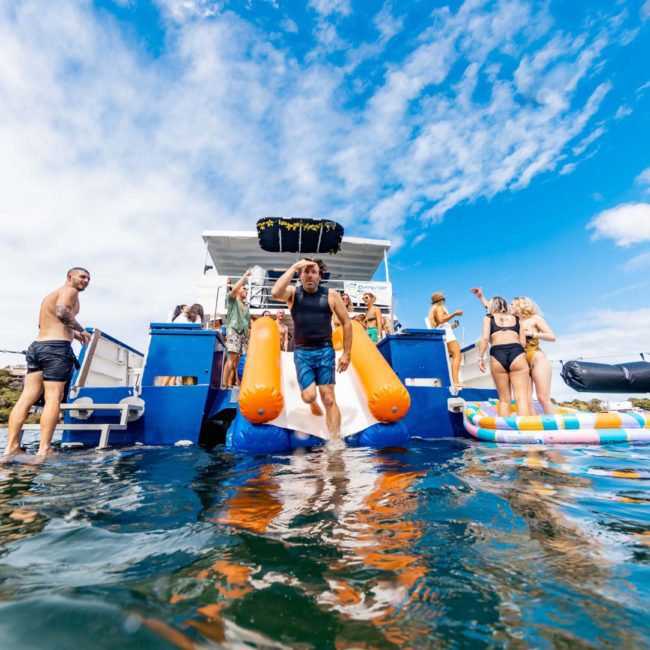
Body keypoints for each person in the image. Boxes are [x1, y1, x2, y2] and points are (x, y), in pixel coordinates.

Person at [3, 268, 92, 460]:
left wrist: (74, 335)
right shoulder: (69, 291)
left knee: (26, 398)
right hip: (56, 349)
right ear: (70, 277)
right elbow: (62, 312)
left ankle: (11, 449)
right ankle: (44, 449)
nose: (86, 281)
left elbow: (45, 323)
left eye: (88, 278)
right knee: (53, 398)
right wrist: (82, 331)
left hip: (37, 347)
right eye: (82, 277)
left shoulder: (50, 296)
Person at [271, 258, 352, 438]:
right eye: (305, 271)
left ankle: (335, 441)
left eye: (313, 271)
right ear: (300, 276)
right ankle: (312, 402)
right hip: (302, 352)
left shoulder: (331, 295)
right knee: (309, 396)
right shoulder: (293, 293)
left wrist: (347, 353)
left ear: (319, 276)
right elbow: (276, 292)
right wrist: (293, 266)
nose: (309, 275)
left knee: (329, 397)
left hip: (325, 350)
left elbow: (347, 322)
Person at [478, 296, 531, 417]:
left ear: (492, 306)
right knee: (521, 399)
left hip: (497, 354)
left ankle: (505, 433)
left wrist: (480, 358)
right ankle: (526, 433)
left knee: (504, 400)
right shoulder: (517, 319)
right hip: (516, 352)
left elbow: (485, 338)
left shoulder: (488, 318)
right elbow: (523, 342)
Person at [510, 296, 556, 415]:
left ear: (520, 305)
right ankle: (536, 429)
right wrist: (481, 297)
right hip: (522, 362)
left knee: (543, 397)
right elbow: (493, 311)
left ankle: (557, 429)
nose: (509, 306)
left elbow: (551, 337)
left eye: (512, 304)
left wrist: (532, 334)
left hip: (537, 358)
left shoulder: (535, 319)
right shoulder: (513, 322)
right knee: (527, 400)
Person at [428, 292, 464, 388]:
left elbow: (441, 324)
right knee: (457, 355)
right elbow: (441, 320)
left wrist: (453, 326)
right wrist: (455, 314)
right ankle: (456, 382)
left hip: (445, 334)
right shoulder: (439, 308)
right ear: (441, 300)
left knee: (448, 358)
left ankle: (450, 381)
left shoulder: (435, 309)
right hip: (448, 336)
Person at [223, 270, 251, 388]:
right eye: (244, 288)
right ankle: (224, 384)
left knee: (241, 363)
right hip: (234, 331)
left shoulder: (247, 307)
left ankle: (239, 385)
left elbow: (248, 325)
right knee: (232, 358)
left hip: (244, 335)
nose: (246, 290)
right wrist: (244, 276)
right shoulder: (232, 301)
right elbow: (233, 290)